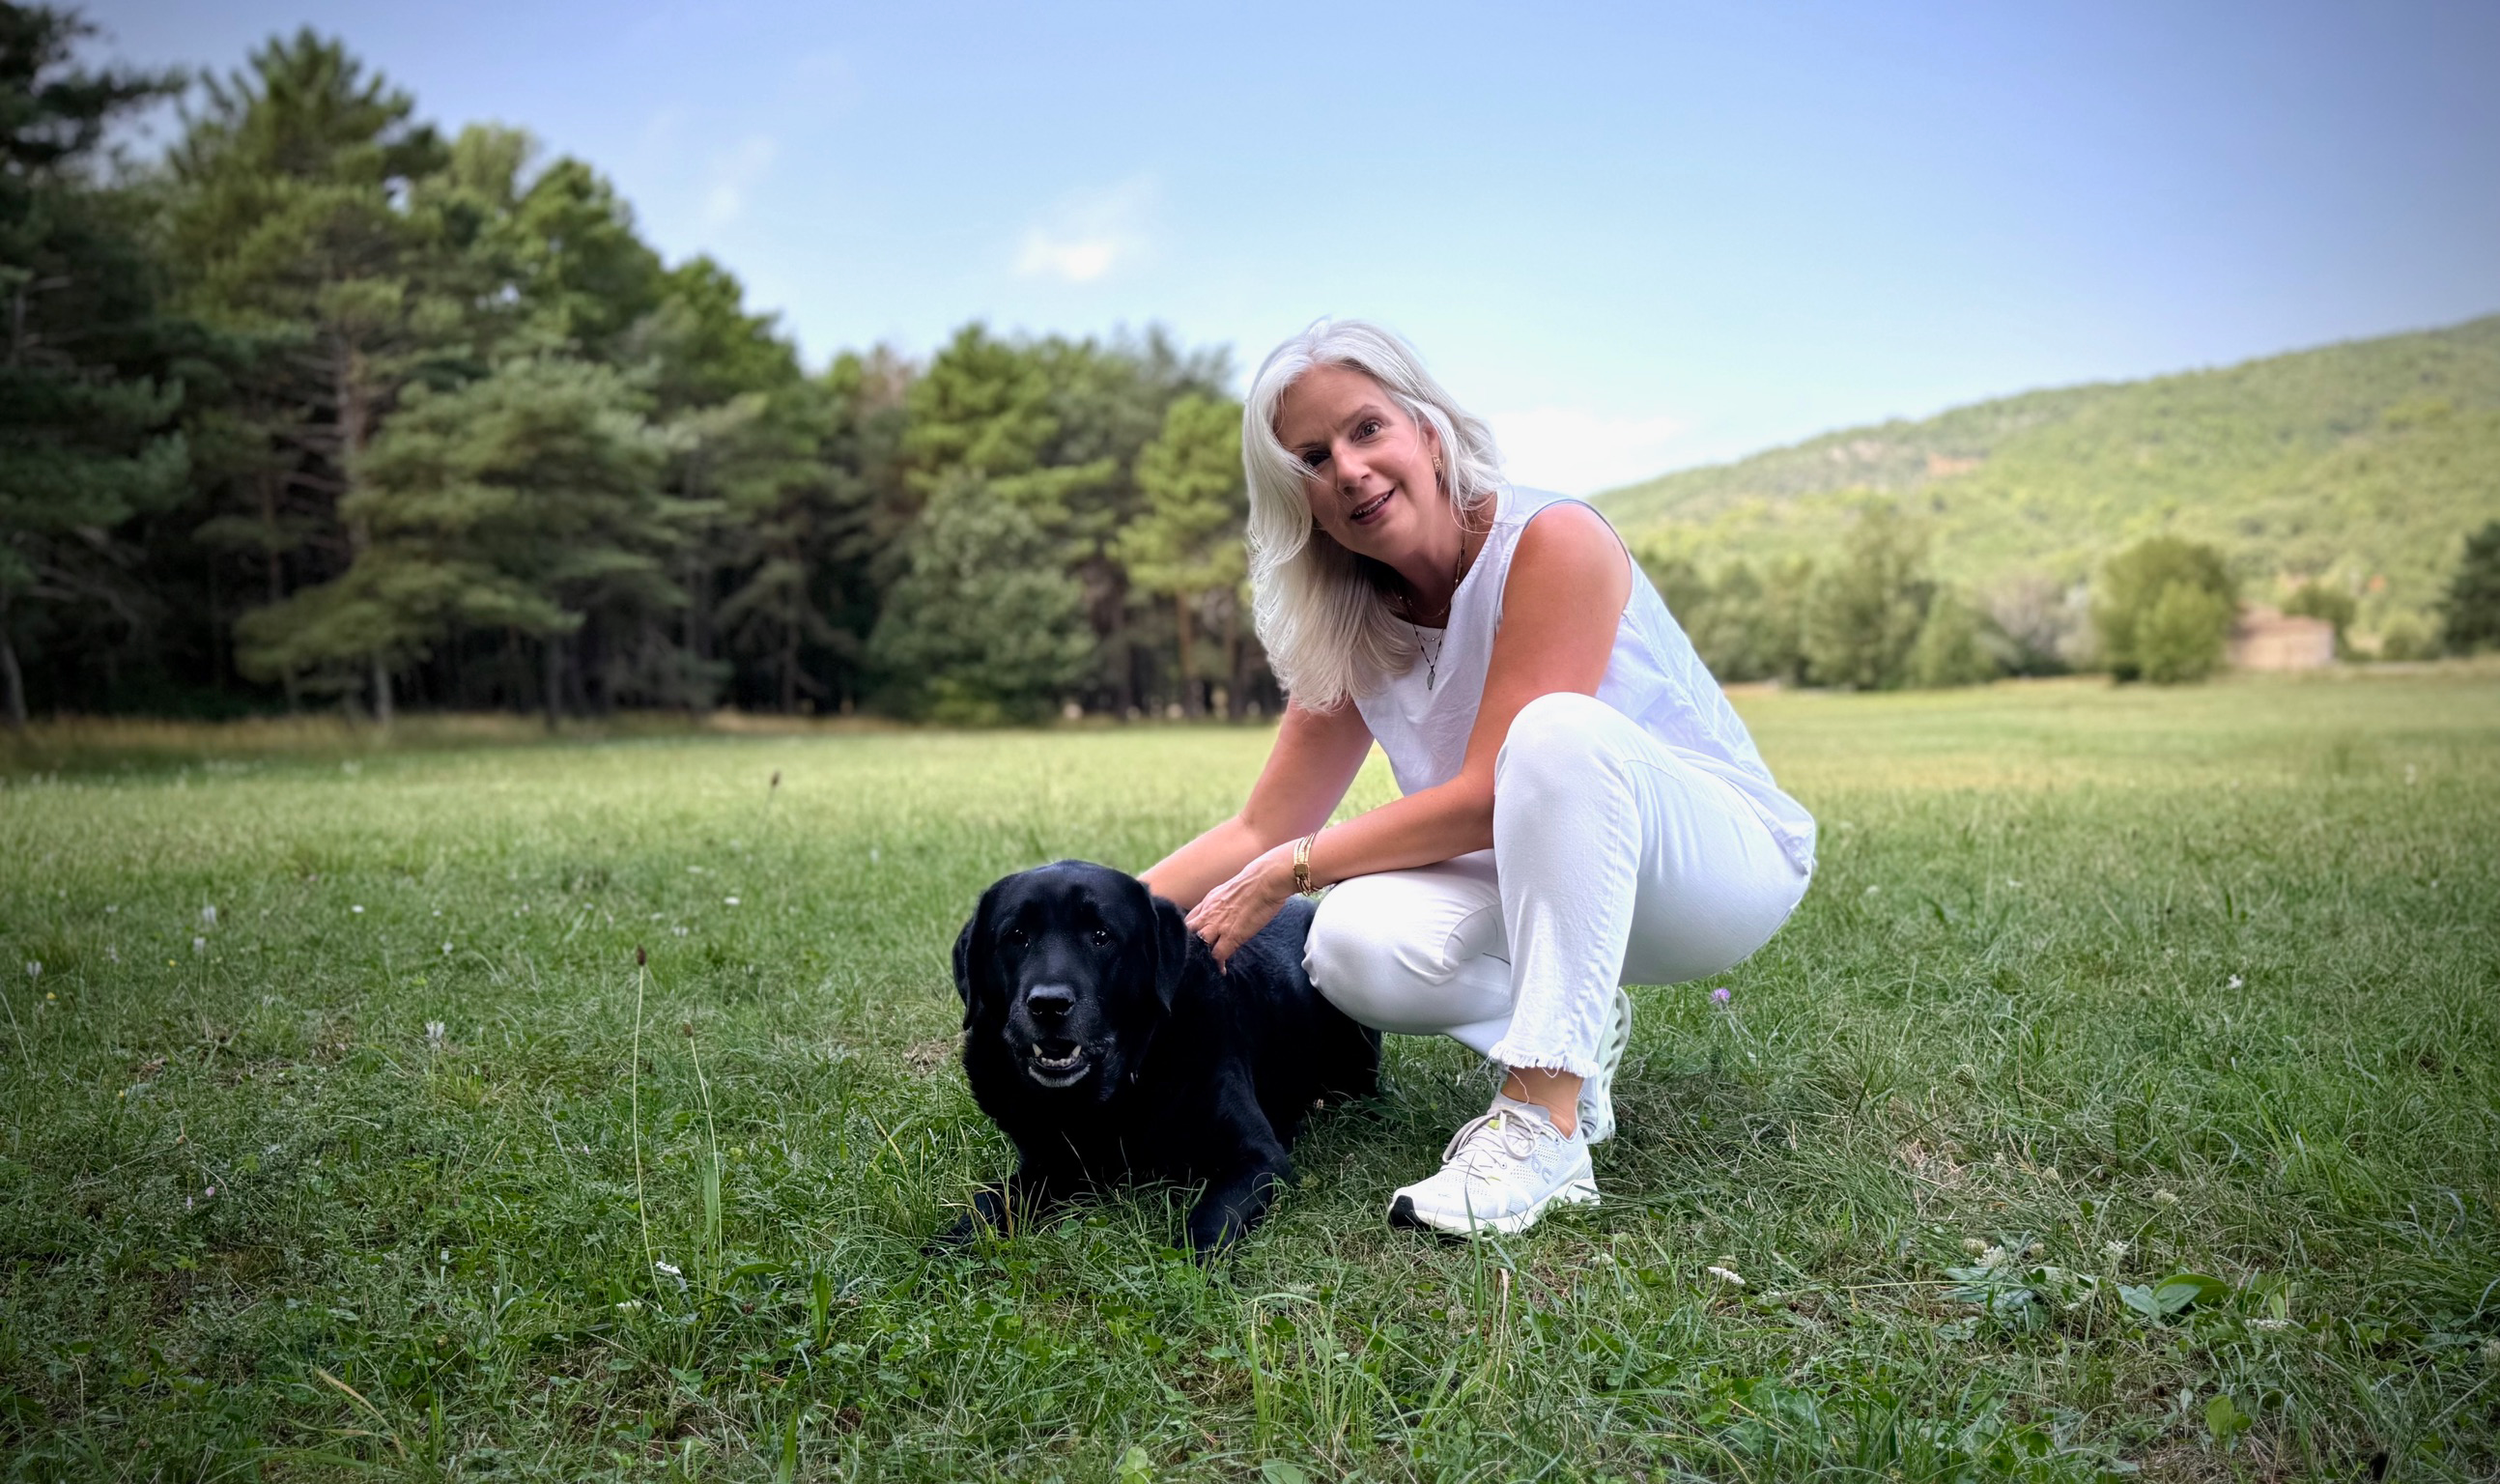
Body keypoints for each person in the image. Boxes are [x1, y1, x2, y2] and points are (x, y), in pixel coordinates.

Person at [1140, 320, 1815, 1236]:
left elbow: (1489, 791)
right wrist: (1092, 922)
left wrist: (1292, 870)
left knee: (1554, 735)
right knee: (1345, 946)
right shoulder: (1352, 623)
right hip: (1546, 881)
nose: (1348, 468)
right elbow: (1262, 829)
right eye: (1311, 456)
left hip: (1713, 868)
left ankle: (1541, 1123)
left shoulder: (1554, 539)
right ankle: (1578, 1029)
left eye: (1366, 428)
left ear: (1428, 428)